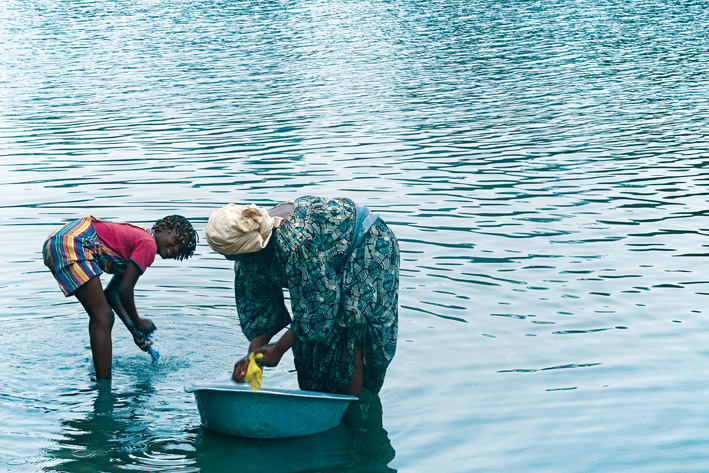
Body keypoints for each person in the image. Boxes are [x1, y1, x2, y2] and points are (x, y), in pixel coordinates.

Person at [205, 195, 399, 396]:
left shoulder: (296, 243)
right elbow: (257, 306)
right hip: (324, 260)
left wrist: (279, 349)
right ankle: (318, 401)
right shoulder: (248, 250)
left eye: (228, 255)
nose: (228, 259)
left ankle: (351, 409)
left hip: (366, 247)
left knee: (352, 327)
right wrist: (254, 357)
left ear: (240, 250)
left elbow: (318, 310)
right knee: (307, 343)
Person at [43, 215, 198, 380]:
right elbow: (125, 290)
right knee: (103, 317)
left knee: (100, 316)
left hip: (61, 240)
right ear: (162, 226)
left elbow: (112, 293)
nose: (176, 248)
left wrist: (133, 329)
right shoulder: (148, 244)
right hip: (73, 243)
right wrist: (138, 320)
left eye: (181, 250)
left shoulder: (137, 243)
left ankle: (97, 375)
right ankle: (104, 386)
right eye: (176, 240)